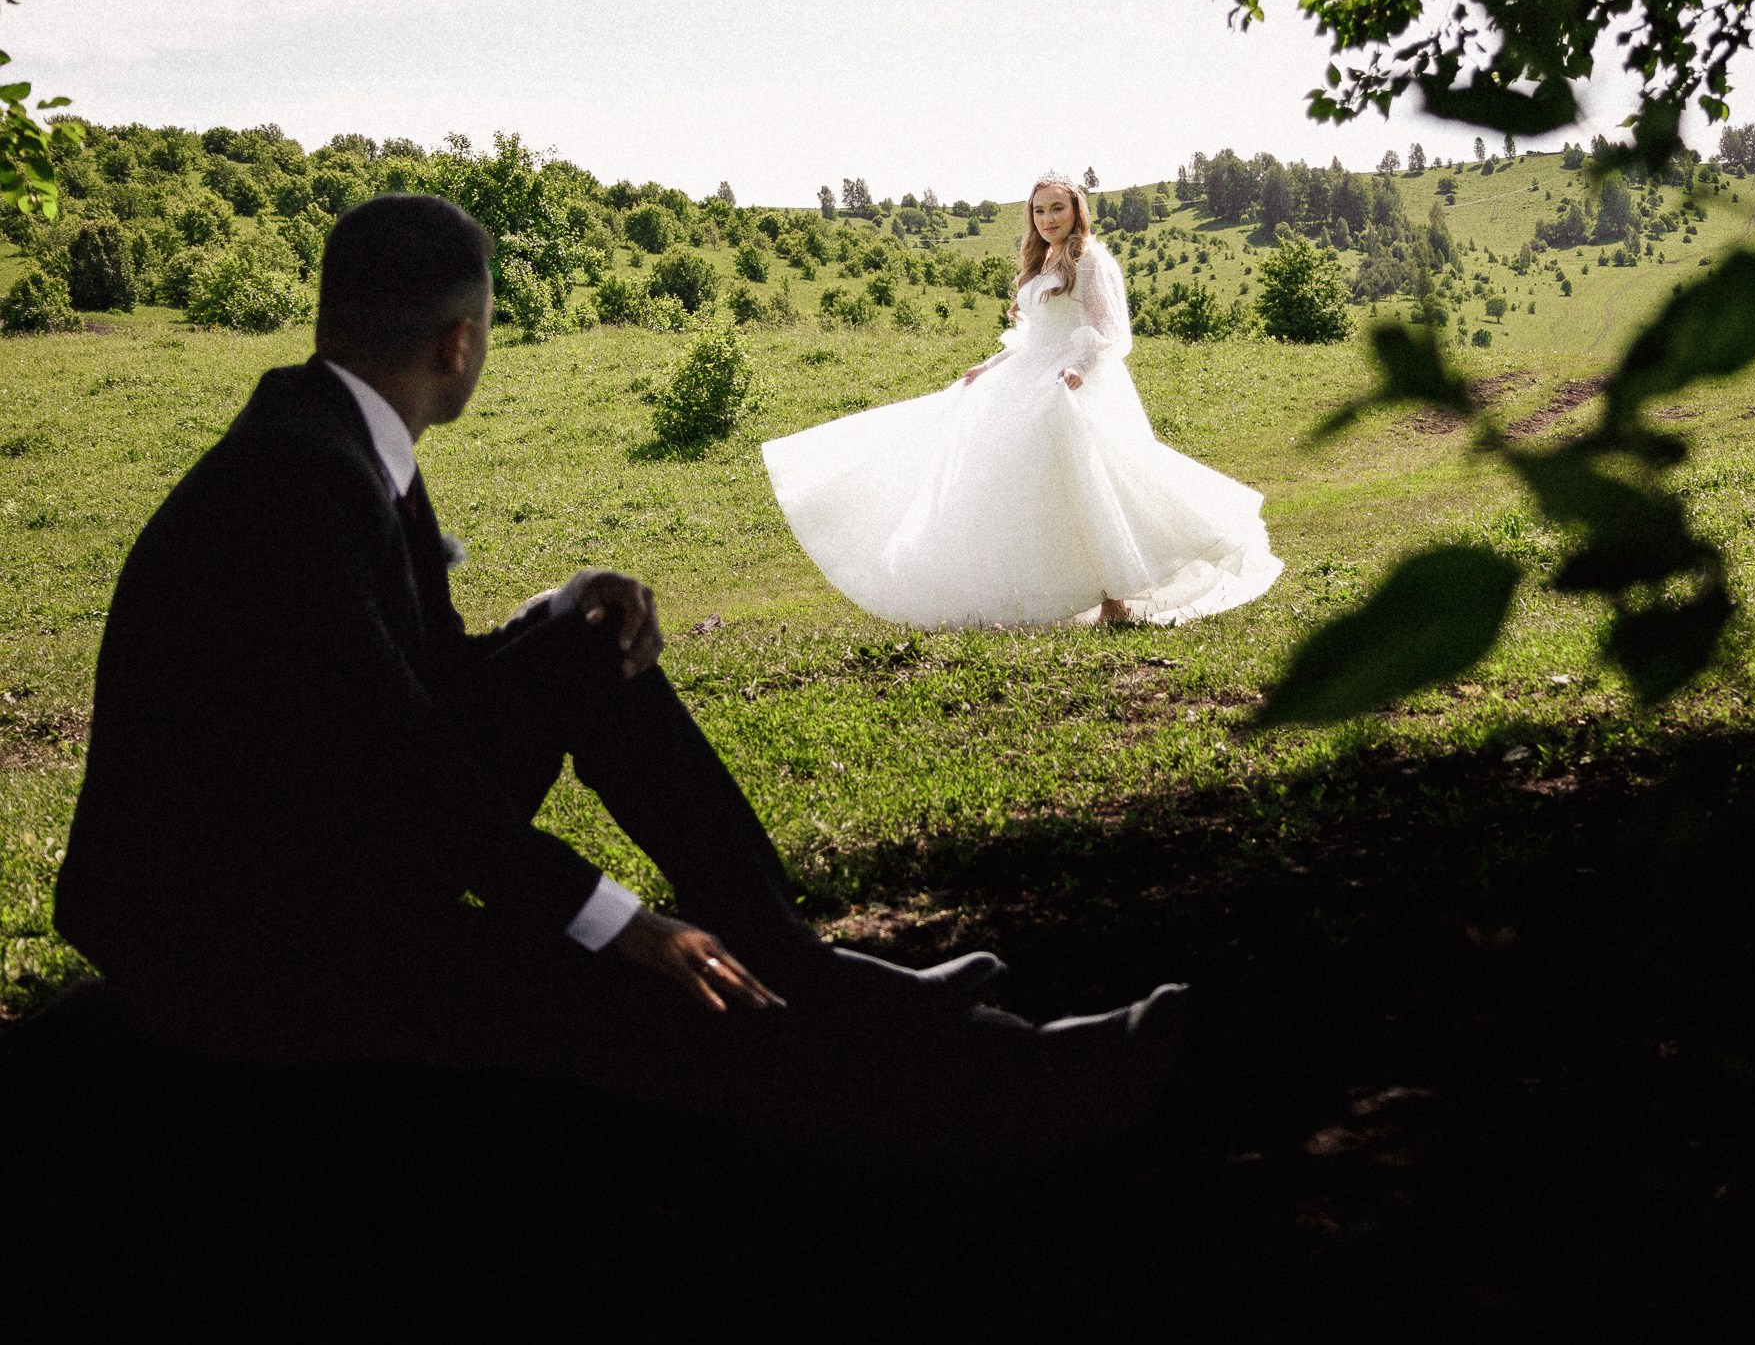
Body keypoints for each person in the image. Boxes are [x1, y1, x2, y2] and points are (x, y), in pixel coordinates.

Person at [52, 194, 1186, 1157]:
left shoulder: (329, 439)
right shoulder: (304, 486)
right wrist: (626, 922)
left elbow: (417, 683)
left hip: (308, 833)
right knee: (642, 992)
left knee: (594, 639)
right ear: (459, 342)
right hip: (240, 933)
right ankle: (1020, 1083)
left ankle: (802, 958)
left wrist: (556, 615)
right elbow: (412, 772)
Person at [763, 172, 1284, 630]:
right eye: (1039, 210)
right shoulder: (1044, 260)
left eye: (1058, 207)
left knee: (1090, 482)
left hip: (1069, 385)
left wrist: (1077, 368)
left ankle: (1116, 598)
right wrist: (988, 367)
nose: (1048, 218)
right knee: (1017, 480)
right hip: (1031, 373)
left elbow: (1106, 328)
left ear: (1076, 210)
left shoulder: (1089, 260)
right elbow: (1035, 336)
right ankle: (1036, 589)